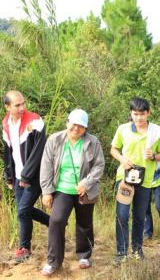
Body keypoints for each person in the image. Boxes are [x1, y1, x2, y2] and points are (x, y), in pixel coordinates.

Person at [39, 109, 105, 276]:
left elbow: (99, 166)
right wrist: (47, 191)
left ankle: (84, 255)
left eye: (81, 126)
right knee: (56, 221)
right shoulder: (55, 139)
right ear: (67, 122)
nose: (77, 128)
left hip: (85, 190)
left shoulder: (93, 142)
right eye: (74, 124)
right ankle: (54, 261)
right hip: (62, 189)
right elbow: (46, 166)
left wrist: (87, 182)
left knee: (84, 223)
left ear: (85, 128)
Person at [111, 97, 160, 264]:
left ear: (148, 113)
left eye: (142, 114)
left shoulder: (157, 132)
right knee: (122, 215)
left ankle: (137, 250)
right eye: (135, 114)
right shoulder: (123, 129)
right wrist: (122, 159)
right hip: (125, 178)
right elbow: (113, 149)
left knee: (139, 215)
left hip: (145, 181)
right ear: (131, 113)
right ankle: (122, 253)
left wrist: (155, 156)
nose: (139, 118)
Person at [2, 90, 50, 263]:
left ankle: (24, 249)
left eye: (23, 103)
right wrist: (9, 177)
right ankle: (54, 224)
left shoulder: (35, 120)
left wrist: (26, 176)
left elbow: (39, 151)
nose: (22, 107)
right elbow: (8, 152)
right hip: (16, 177)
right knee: (24, 211)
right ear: (7, 107)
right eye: (17, 105)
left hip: (34, 176)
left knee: (22, 211)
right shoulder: (6, 123)